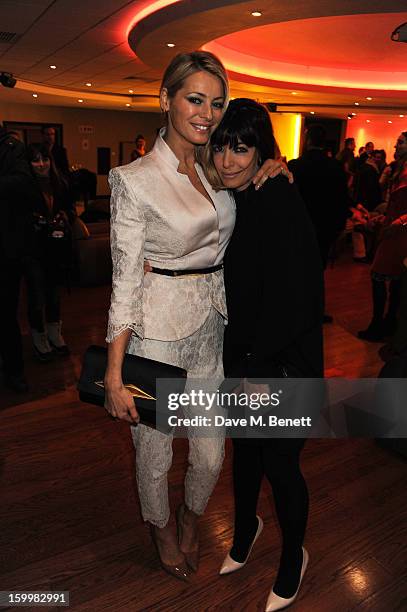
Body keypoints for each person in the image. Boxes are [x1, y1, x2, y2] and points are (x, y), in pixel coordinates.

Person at [103, 52, 288, 582]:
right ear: (166, 101)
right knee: (155, 455)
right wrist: (115, 375)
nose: (207, 112)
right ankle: (160, 526)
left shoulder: (214, 169)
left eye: (216, 101)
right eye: (194, 98)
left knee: (210, 455)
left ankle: (190, 516)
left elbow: (243, 191)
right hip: (156, 334)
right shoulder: (133, 180)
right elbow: (123, 279)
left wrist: (272, 166)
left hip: (212, 329)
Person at [204, 99, 323, 611]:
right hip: (246, 354)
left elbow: (298, 296)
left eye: (242, 147)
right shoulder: (239, 191)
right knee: (245, 452)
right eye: (223, 146)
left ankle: (295, 556)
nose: (229, 159)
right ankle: (246, 528)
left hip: (280, 362)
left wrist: (259, 367)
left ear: (262, 151)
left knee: (280, 463)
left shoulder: (276, 194)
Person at [288, 125, 349, 321]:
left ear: (308, 140)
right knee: (317, 270)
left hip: (299, 227)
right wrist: (338, 227)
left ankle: (296, 308)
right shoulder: (336, 168)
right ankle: (315, 310)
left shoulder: (296, 165)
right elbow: (342, 200)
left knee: (296, 269)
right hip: (325, 227)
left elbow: (288, 201)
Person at [23, 143, 74, 359]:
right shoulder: (24, 185)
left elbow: (71, 210)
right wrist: (36, 221)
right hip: (33, 249)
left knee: (54, 295)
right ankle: (40, 338)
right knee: (36, 297)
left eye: (45, 159)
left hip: (55, 248)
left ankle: (55, 335)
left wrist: (63, 216)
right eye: (36, 160)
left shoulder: (59, 182)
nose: (41, 164)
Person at [358, 132, 407, 342]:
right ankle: (387, 323)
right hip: (393, 229)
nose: (395, 146)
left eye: (401, 143)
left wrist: (398, 222)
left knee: (379, 275)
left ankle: (380, 325)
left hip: (400, 234)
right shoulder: (399, 169)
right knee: (395, 280)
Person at [0, 123, 35, 392]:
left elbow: (22, 184)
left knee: (6, 315)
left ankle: (14, 372)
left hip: (6, 251)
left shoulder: (13, 148)